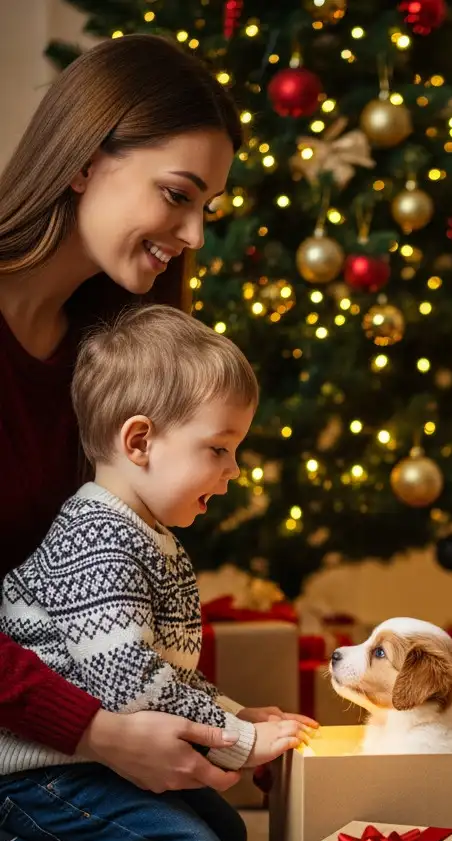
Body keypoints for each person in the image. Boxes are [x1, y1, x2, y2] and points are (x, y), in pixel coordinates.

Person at [0, 34, 254, 798]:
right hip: (34, 743)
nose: (195, 236)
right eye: (177, 195)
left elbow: (120, 582)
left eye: (207, 208)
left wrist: (218, 723)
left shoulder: (114, 350)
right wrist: (96, 734)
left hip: (48, 739)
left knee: (207, 833)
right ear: (83, 161)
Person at [0, 305, 315, 841]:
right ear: (140, 441)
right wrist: (238, 739)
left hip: (90, 758)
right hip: (33, 769)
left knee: (227, 837)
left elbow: (170, 674)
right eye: (218, 448)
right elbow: (130, 685)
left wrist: (237, 713)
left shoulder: (149, 534)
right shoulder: (95, 538)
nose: (234, 470)